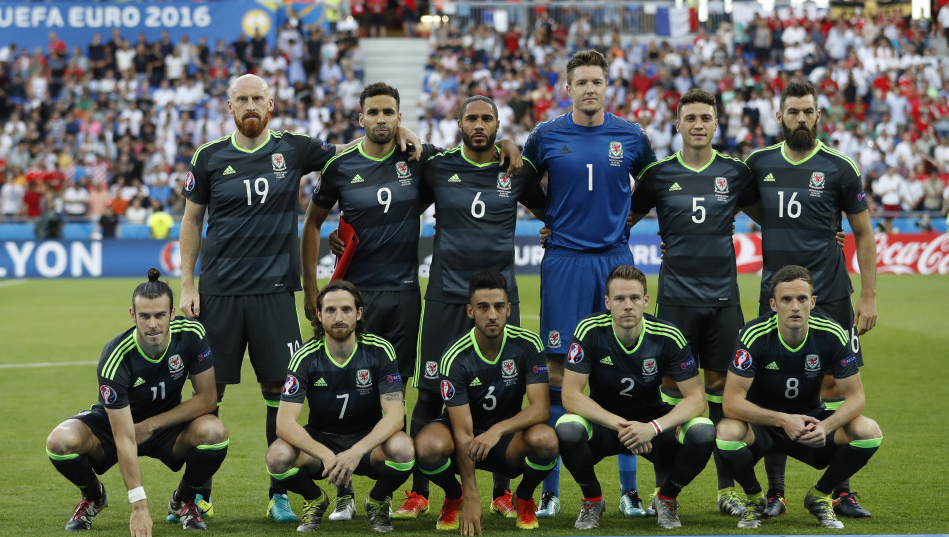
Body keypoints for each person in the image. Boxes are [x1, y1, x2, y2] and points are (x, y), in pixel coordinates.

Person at [179, 73, 418, 523]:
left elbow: (358, 148)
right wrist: (188, 284)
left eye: (258, 98)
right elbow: (192, 221)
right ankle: (195, 493)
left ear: (272, 103)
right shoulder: (208, 156)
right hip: (219, 291)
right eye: (241, 99)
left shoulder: (296, 147)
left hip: (273, 293)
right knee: (209, 396)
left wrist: (402, 131)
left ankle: (279, 494)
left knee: (277, 390)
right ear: (229, 106)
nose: (250, 105)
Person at [521, 48, 657, 518]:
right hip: (564, 261)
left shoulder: (632, 136)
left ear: (607, 86)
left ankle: (628, 489)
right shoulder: (545, 135)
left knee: (624, 373)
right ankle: (553, 489)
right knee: (558, 372)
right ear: (567, 87)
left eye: (597, 81)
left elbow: (654, 187)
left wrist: (625, 222)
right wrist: (551, 219)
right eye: (581, 82)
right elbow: (521, 185)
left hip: (615, 260)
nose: (589, 89)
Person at [400, 95, 545, 520]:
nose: (479, 125)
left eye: (487, 118)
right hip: (447, 296)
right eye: (472, 118)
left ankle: (502, 491)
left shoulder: (517, 169)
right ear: (459, 123)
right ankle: (420, 492)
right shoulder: (439, 165)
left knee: (507, 391)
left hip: (501, 298)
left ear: (499, 124)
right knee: (429, 392)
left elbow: (550, 210)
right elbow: (407, 201)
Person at [301, 81, 436, 520]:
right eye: (373, 112)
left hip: (403, 295)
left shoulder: (417, 159)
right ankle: (341, 488)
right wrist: (311, 289)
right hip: (353, 301)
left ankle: (397, 493)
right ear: (360, 118)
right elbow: (312, 225)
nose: (381, 118)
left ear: (399, 117)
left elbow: (465, 164)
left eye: (389, 112)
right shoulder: (340, 166)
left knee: (398, 393)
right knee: (343, 388)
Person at [745, 79, 877, 519]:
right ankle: (776, 491)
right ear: (779, 116)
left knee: (838, 386)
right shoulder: (759, 163)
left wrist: (870, 296)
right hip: (777, 299)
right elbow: (742, 205)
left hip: (834, 297)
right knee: (771, 388)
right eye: (793, 111)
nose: (801, 118)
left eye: (808, 111)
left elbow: (862, 232)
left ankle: (838, 489)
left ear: (819, 116)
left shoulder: (841, 167)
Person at [630, 88, 760, 516]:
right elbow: (622, 221)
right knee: (668, 390)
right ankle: (664, 491)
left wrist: (826, 235)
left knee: (723, 394)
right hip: (675, 303)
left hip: (724, 302)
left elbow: (771, 215)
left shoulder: (735, 172)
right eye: (691, 118)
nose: (698, 124)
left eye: (706, 117)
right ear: (678, 124)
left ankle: (727, 492)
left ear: (716, 123)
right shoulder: (658, 174)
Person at [45, 268, 228, 536]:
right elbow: (124, 436)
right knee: (59, 442)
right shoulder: (116, 357)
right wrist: (139, 506)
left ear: (172, 313)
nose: (153, 324)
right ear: (133, 316)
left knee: (215, 432)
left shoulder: (191, 334)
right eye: (144, 316)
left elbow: (208, 399)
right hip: (115, 425)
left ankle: (183, 500)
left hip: (167, 426)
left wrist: (151, 425)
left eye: (159, 315)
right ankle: (93, 496)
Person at [716, 265, 883, 529]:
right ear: (773, 304)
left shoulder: (832, 333)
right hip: (765, 426)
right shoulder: (753, 335)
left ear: (812, 302)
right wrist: (782, 420)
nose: (795, 306)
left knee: (868, 431)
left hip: (811, 422)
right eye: (786, 299)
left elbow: (856, 398)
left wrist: (826, 426)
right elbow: (731, 402)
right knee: (726, 433)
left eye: (802, 299)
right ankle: (755, 499)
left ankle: (820, 496)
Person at [555, 265, 715, 530]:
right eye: (619, 299)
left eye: (634, 298)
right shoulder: (589, 330)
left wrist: (652, 428)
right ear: (607, 302)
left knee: (704, 431)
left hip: (652, 426)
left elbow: (697, 399)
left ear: (646, 301)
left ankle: (666, 498)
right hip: (606, 426)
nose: (627, 306)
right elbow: (571, 396)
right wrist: (623, 427)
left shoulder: (667, 334)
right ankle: (593, 499)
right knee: (567, 428)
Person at [265, 280, 414, 533]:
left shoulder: (380, 350)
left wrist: (356, 451)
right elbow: (284, 423)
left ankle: (377, 500)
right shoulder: (305, 356)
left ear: (359, 313)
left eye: (346, 309)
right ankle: (315, 499)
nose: (339, 317)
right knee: (277, 457)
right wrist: (325, 455)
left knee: (403, 448)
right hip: (322, 442)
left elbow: (395, 415)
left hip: (368, 444)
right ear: (319, 315)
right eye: (331, 310)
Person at [414, 271, 558, 533]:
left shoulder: (527, 344)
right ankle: (454, 495)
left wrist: (498, 430)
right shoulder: (455, 355)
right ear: (470, 311)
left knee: (546, 440)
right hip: (464, 438)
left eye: (499, 307)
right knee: (426, 446)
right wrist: (471, 496)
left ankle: (524, 497)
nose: (492, 314)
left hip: (506, 440)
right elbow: (462, 431)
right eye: (483, 307)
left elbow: (541, 408)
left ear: (508, 309)